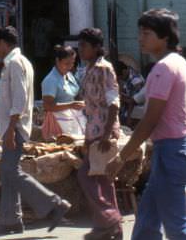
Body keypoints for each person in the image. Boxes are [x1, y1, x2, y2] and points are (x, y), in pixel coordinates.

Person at [106, 8, 186, 240]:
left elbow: (150, 120)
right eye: (140, 32)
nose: (141, 38)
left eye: (147, 33)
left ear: (164, 37)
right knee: (147, 222)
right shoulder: (179, 62)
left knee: (177, 228)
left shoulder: (163, 69)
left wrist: (121, 157)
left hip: (173, 150)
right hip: (175, 148)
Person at [0, 25, 71, 236]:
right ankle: (10, 220)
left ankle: (55, 204)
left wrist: (10, 130)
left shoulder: (15, 63)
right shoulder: (20, 62)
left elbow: (18, 98)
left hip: (14, 127)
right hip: (14, 127)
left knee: (10, 171)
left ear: (3, 43)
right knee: (8, 173)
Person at [76, 27, 122, 240]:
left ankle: (110, 218)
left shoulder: (104, 68)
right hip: (93, 130)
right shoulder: (89, 69)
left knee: (86, 175)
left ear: (96, 48)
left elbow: (114, 102)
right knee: (102, 179)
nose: (80, 50)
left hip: (103, 131)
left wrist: (106, 134)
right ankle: (110, 227)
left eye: (84, 46)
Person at [41, 44, 85, 140]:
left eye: (72, 63)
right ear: (58, 61)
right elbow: (47, 106)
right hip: (58, 124)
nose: (70, 67)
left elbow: (75, 93)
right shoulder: (50, 80)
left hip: (73, 119)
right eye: (66, 63)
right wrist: (70, 105)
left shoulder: (69, 75)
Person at [118, 53, 145, 127]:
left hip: (136, 110)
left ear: (124, 71)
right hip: (126, 107)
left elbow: (133, 101)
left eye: (120, 77)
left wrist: (128, 119)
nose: (120, 79)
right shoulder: (126, 77)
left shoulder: (136, 80)